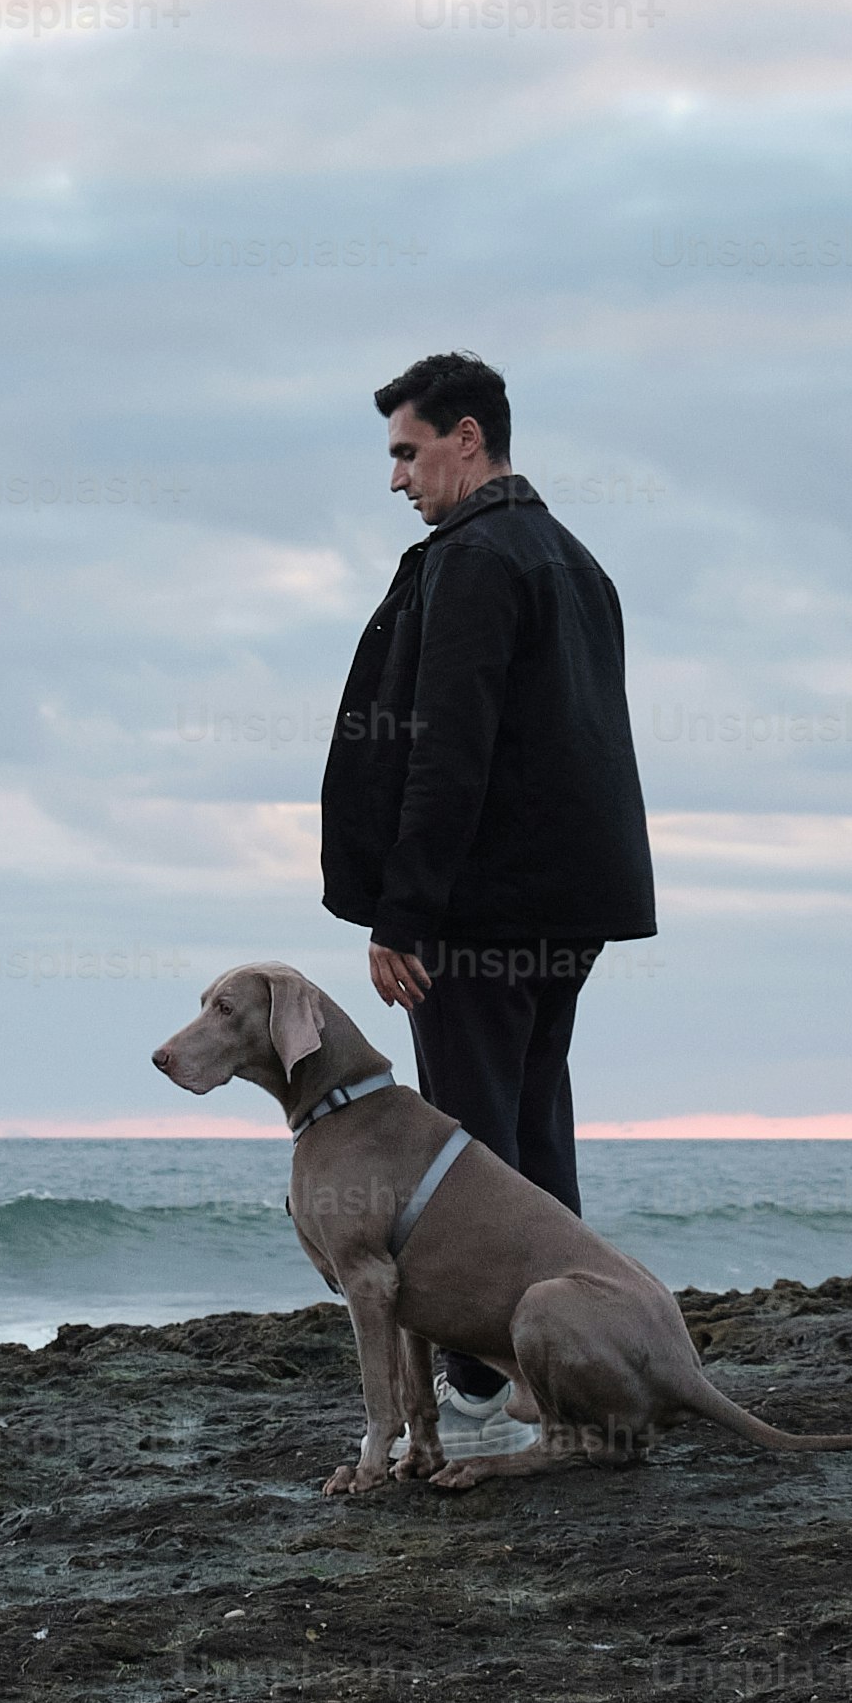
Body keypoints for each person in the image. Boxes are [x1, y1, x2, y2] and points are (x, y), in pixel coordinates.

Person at [318, 351, 657, 1438]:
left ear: (469, 436)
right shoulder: (574, 559)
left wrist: (405, 910)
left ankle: (496, 1376)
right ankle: (555, 1364)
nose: (398, 478)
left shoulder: (471, 560)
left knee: (466, 1148)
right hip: (570, 902)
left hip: (481, 904)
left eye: (407, 451)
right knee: (529, 1133)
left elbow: (447, 749)